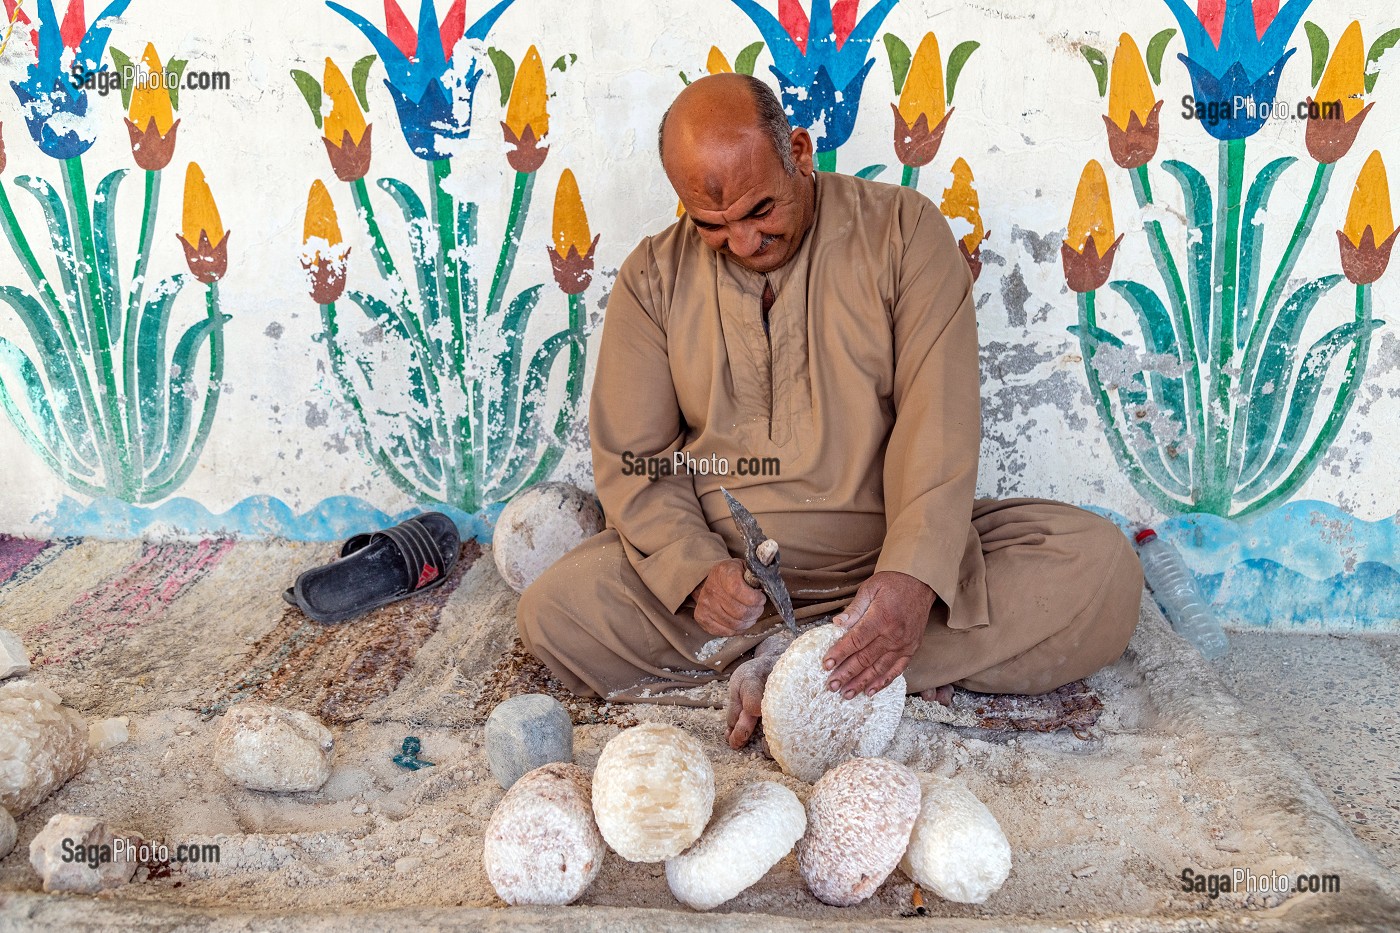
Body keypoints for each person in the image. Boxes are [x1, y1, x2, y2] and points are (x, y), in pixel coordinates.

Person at [517, 73, 1143, 750]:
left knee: (1099, 569)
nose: (745, 243)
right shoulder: (652, 277)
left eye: (761, 211)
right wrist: (693, 570)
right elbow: (635, 460)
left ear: (799, 150)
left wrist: (910, 578)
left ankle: (817, 662)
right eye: (712, 227)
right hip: (737, 589)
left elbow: (940, 424)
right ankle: (832, 666)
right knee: (554, 613)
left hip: (887, 563)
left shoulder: (904, 232)